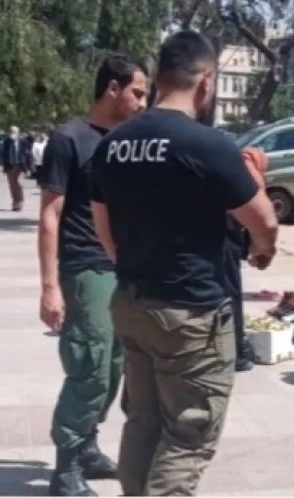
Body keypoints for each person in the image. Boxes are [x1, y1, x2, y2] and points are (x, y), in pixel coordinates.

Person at [88, 31, 279, 496]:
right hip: (191, 314)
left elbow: (103, 227)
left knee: (143, 423)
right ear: (206, 81)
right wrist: (262, 248)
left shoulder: (112, 145)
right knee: (187, 435)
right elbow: (265, 220)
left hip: (133, 303)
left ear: (158, 78)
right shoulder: (206, 144)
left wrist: (133, 267)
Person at [37, 54, 149, 497]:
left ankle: (86, 446)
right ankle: (65, 469)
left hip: (122, 268)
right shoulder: (69, 139)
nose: (142, 102)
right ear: (112, 89)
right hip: (85, 267)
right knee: (90, 367)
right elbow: (50, 215)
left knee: (116, 365)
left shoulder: (126, 141)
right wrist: (50, 287)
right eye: (137, 92)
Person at [227, 147, 269, 372]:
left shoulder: (237, 169)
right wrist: (260, 248)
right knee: (231, 293)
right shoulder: (251, 174)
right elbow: (259, 216)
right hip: (228, 237)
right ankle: (237, 352)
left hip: (224, 236)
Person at [2, 125, 29, 211]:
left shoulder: (23, 141)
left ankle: (20, 201)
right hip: (10, 166)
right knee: (12, 185)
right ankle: (15, 202)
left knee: (19, 182)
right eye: (11, 132)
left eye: (14, 132)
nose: (12, 133)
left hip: (20, 165)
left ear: (18, 133)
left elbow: (27, 155)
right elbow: (4, 154)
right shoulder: (7, 142)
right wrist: (4, 166)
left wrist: (28, 168)